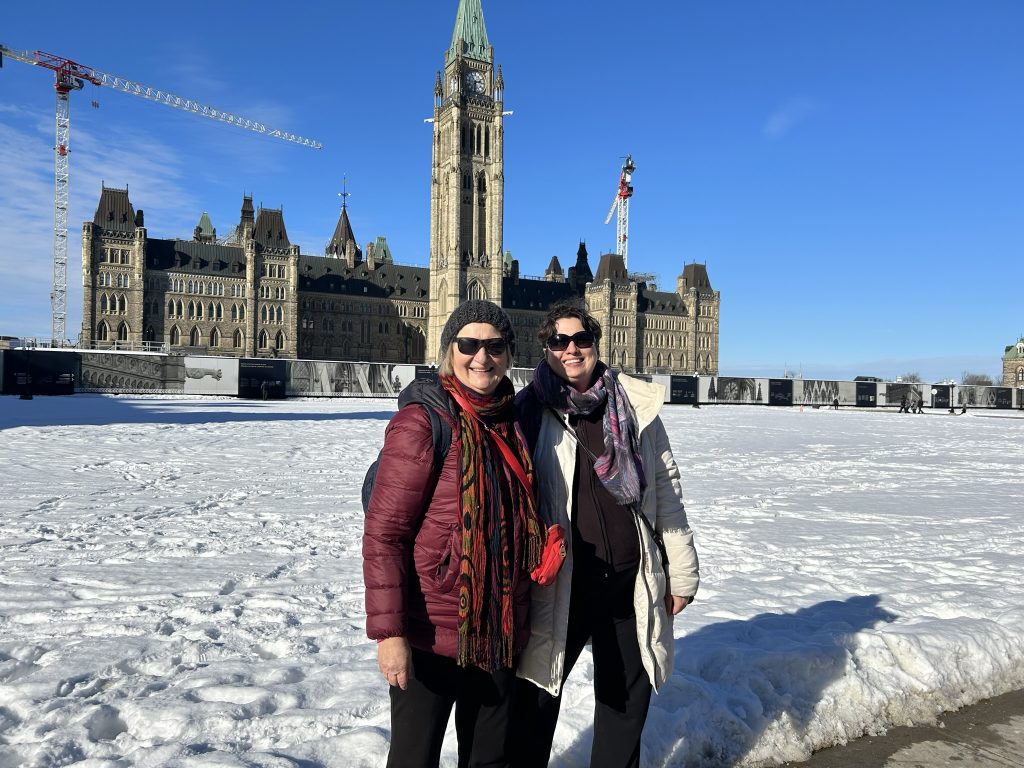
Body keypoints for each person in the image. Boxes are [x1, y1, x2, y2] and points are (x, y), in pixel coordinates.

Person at [512, 301, 700, 768]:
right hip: (561, 584)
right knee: (534, 702)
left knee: (623, 707)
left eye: (581, 339)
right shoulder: (528, 409)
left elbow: (666, 491)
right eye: (559, 341)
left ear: (596, 343)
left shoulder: (633, 405)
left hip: (628, 580)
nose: (571, 349)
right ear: (546, 349)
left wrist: (683, 571)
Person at [363, 300, 544, 768]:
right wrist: (391, 634)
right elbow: (385, 534)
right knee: (414, 758)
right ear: (449, 350)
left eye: (495, 346)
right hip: (432, 632)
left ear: (508, 355)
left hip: (498, 632)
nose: (481, 357)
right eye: (468, 344)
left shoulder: (513, 421)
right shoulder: (422, 421)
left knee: (489, 759)